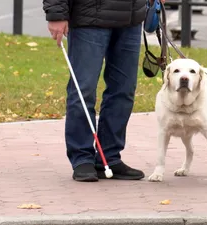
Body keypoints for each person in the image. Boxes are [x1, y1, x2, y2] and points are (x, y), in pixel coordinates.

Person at [42, 0, 165, 182]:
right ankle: (82, 158)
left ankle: (109, 157)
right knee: (83, 90)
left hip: (130, 20)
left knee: (124, 90)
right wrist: (56, 14)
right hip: (89, 19)